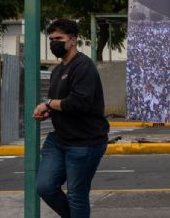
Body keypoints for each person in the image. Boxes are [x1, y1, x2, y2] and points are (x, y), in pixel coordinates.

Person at [33, 18, 109, 217]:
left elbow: (78, 103)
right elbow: (61, 102)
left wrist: (48, 104)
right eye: (51, 39)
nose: (54, 43)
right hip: (59, 140)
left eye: (59, 38)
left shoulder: (83, 66)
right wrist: (47, 111)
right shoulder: (57, 71)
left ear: (73, 40)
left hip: (85, 142)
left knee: (76, 195)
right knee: (45, 187)